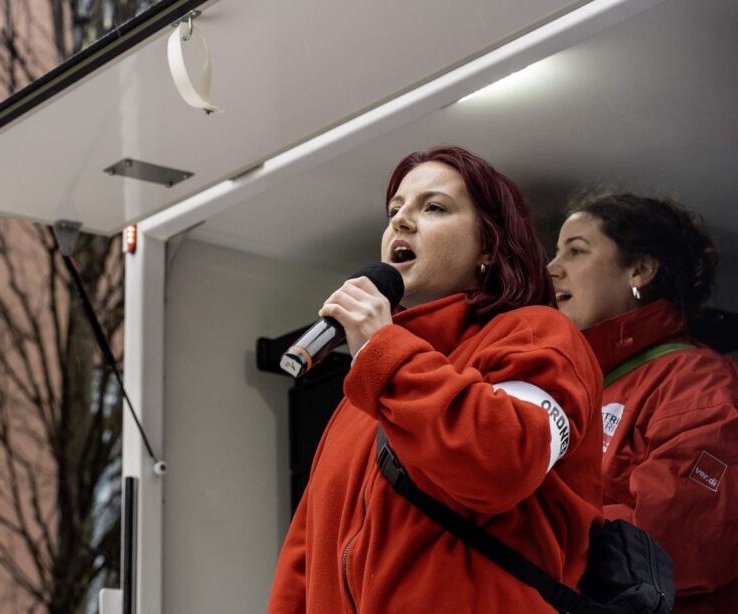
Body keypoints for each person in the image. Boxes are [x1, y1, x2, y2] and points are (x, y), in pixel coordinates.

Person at [268, 146, 604, 613]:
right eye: (395, 210)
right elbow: (306, 551)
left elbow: (503, 462)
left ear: (489, 246)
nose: (401, 222)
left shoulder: (538, 336)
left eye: (433, 207)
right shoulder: (368, 387)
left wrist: (383, 350)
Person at [548, 193, 738, 612]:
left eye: (576, 251)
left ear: (640, 269)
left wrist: (526, 531)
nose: (552, 268)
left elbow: (676, 537)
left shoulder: (696, 380)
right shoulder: (566, 387)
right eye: (555, 253)